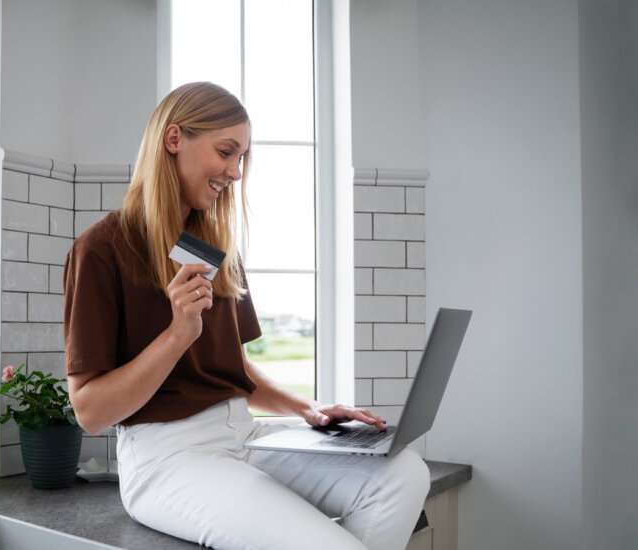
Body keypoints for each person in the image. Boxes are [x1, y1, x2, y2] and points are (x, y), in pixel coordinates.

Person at [63, 81, 429, 550]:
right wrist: (177, 334)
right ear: (174, 140)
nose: (235, 172)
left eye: (242, 158)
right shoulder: (101, 249)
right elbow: (90, 412)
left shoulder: (209, 247)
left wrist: (306, 409)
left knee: (403, 474)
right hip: (167, 458)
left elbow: (234, 369)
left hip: (244, 435)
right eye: (226, 152)